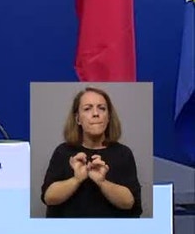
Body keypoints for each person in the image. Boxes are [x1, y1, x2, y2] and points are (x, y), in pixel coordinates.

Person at [40, 86, 143, 218]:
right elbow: (48, 197)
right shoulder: (63, 152)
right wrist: (76, 179)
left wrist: (102, 182)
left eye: (102, 108)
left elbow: (130, 203)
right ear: (78, 119)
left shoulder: (123, 153)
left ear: (108, 117)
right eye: (87, 109)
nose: (95, 114)